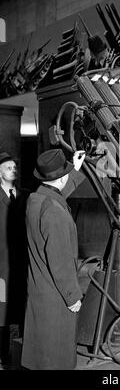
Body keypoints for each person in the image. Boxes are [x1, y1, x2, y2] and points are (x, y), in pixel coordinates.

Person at [21, 149, 86, 370]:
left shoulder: (36, 199)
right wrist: (72, 296)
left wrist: (74, 169)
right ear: (61, 177)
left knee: (42, 353)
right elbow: (60, 262)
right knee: (57, 355)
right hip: (56, 296)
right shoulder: (55, 213)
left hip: (40, 290)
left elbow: (56, 195)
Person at [0, 152, 30, 366]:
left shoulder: (25, 195)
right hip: (1, 267)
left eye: (15, 167)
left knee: (20, 309)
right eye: (9, 167)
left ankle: (16, 354)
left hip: (21, 263)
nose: (14, 170)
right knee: (1, 309)